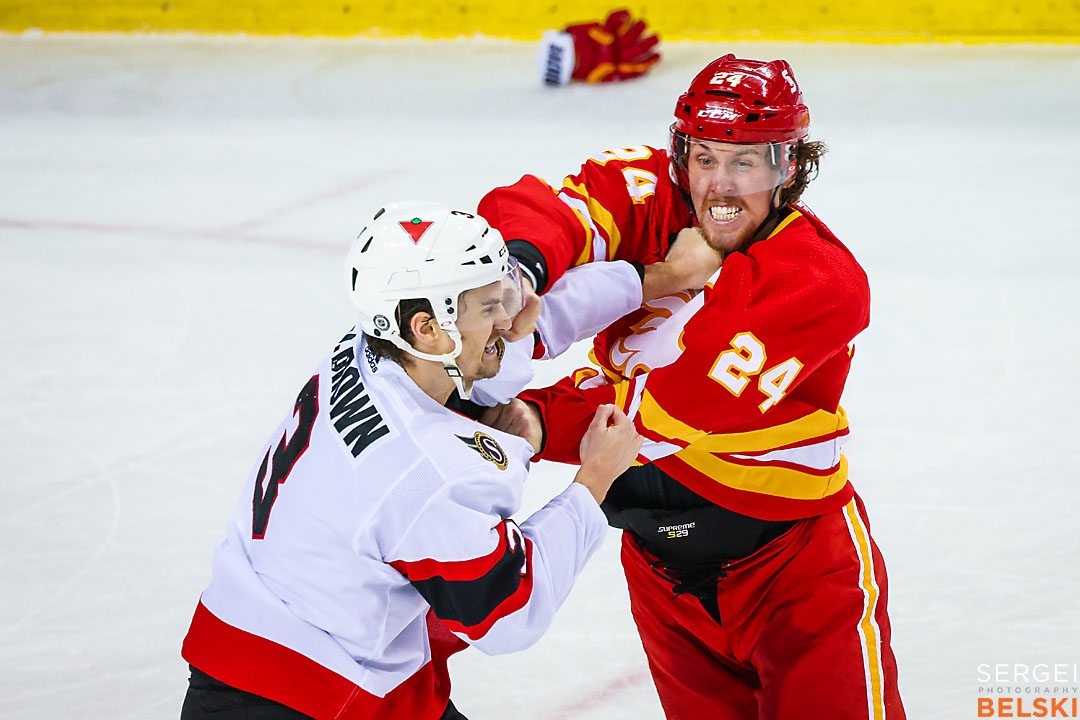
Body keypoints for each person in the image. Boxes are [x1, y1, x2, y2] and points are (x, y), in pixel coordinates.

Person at [478, 55, 906, 718]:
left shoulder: (819, 281)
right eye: (705, 158)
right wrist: (515, 272)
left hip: (793, 572)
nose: (721, 186)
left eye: (747, 163)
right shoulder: (650, 191)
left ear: (790, 167)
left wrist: (532, 420)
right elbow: (551, 211)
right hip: (658, 574)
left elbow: (676, 405)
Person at [178, 202, 647, 720]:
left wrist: (646, 281)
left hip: (265, 652)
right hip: (310, 698)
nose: (508, 320)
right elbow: (511, 610)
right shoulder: (425, 474)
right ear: (427, 326)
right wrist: (593, 482)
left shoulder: (367, 347)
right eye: (490, 306)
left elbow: (486, 361)